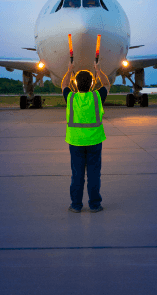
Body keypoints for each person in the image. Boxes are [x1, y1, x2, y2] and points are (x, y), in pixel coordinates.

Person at [61, 61, 110, 213]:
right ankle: (95, 205)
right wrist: (99, 70)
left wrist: (69, 70)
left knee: (77, 175)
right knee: (94, 175)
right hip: (94, 141)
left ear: (76, 83)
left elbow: (63, 85)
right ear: (91, 84)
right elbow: (107, 84)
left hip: (75, 142)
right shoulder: (97, 96)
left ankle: (76, 205)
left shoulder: (70, 97)